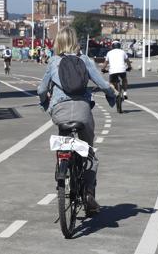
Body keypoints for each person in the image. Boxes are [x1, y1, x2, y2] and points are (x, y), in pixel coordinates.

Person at [37, 27, 116, 214]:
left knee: (64, 142)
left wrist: (45, 104)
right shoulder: (85, 60)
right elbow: (103, 84)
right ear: (75, 41)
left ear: (58, 42)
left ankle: (62, 168)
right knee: (88, 153)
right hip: (82, 112)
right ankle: (88, 192)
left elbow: (41, 90)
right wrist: (112, 94)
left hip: (60, 111)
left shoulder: (53, 61)